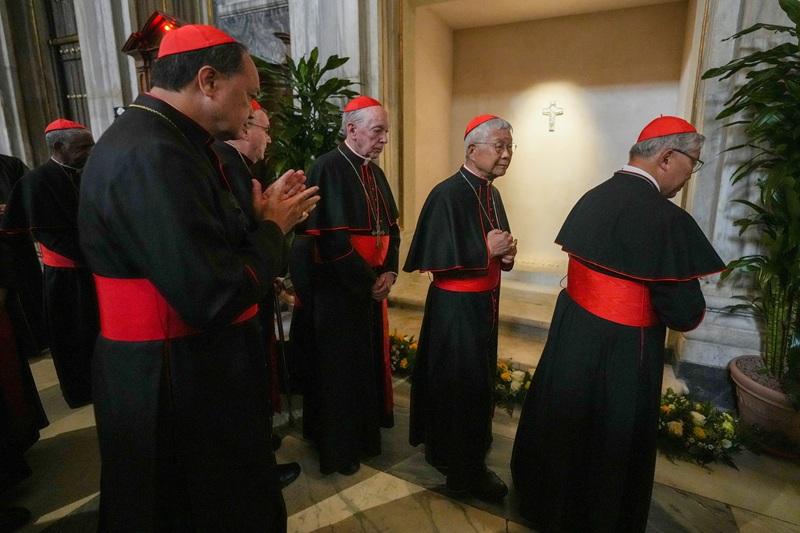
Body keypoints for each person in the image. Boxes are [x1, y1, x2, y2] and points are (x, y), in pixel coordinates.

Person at [78, 24, 319, 531]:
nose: (254, 109)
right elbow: (210, 293)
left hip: (178, 366)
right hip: (173, 375)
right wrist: (274, 229)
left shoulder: (167, 138)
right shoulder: (155, 153)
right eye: (249, 93)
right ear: (208, 81)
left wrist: (255, 219)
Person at [510, 116, 725, 532]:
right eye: (692, 163)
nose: (689, 175)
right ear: (666, 157)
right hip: (625, 352)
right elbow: (685, 314)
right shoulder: (667, 220)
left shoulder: (593, 196)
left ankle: (545, 503)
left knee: (564, 422)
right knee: (608, 440)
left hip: (572, 335)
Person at [403, 114, 517, 501]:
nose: (506, 155)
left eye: (509, 147)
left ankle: (468, 457)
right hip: (455, 308)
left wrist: (506, 254)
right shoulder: (446, 194)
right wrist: (488, 250)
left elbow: (498, 245)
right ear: (472, 150)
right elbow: (435, 258)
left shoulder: (492, 193)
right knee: (459, 387)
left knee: (476, 384)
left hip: (484, 304)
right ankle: (460, 469)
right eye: (499, 146)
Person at [291, 95, 400, 476]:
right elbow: (331, 241)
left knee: (365, 370)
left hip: (369, 289)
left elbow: (393, 229)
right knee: (339, 375)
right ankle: (339, 450)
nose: (384, 139)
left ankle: (365, 439)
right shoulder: (327, 167)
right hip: (338, 293)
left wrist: (390, 272)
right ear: (352, 129)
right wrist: (368, 282)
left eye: (386, 131)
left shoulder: (375, 173)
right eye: (378, 131)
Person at [213, 99, 299, 469]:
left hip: (249, 289)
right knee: (245, 387)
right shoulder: (228, 167)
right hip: (237, 298)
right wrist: (277, 222)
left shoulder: (236, 167)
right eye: (266, 129)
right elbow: (246, 237)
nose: (269, 138)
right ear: (247, 128)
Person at [1, 120, 97, 408]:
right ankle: (81, 391)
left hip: (94, 266)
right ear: (58, 147)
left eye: (90, 145)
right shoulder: (35, 182)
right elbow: (34, 231)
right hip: (65, 275)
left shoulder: (90, 172)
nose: (89, 152)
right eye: (82, 147)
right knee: (72, 337)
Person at [0, 154, 47, 355]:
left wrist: (13, 208)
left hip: (19, 242)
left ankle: (40, 339)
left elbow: (32, 192)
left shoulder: (10, 164)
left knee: (31, 290)